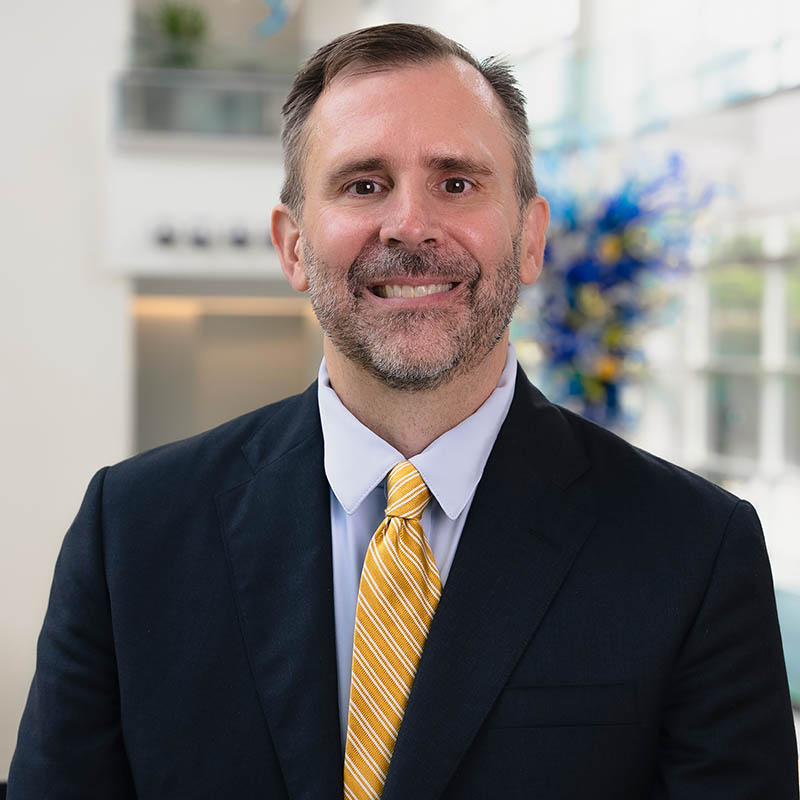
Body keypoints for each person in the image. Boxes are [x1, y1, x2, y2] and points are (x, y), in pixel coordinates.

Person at [8, 22, 798, 800]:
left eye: (457, 182)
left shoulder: (693, 551)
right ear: (292, 248)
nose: (411, 224)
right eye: (363, 184)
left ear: (529, 238)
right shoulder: (132, 535)